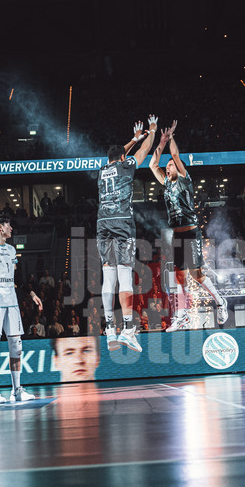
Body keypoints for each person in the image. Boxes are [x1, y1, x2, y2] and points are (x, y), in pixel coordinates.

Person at [149, 121, 228, 332]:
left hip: (192, 232)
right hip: (177, 235)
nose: (168, 167)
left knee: (196, 275)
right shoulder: (166, 183)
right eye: (167, 167)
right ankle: (182, 314)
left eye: (171, 165)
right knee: (179, 275)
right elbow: (151, 165)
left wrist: (170, 139)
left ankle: (220, 301)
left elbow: (175, 155)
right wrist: (160, 143)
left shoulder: (184, 179)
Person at [97, 115, 158, 353]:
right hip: (122, 224)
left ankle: (110, 328)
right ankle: (128, 329)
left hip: (103, 224)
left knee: (108, 277)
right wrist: (150, 132)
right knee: (124, 277)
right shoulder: (126, 165)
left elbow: (118, 153)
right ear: (123, 157)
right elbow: (144, 151)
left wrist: (132, 139)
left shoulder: (102, 171)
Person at [0, 215, 43, 403]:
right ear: (0, 227)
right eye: (9, 225)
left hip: (11, 302)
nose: (11, 228)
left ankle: (16, 390)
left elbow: (17, 279)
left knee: (16, 347)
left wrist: (32, 294)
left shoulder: (11, 250)